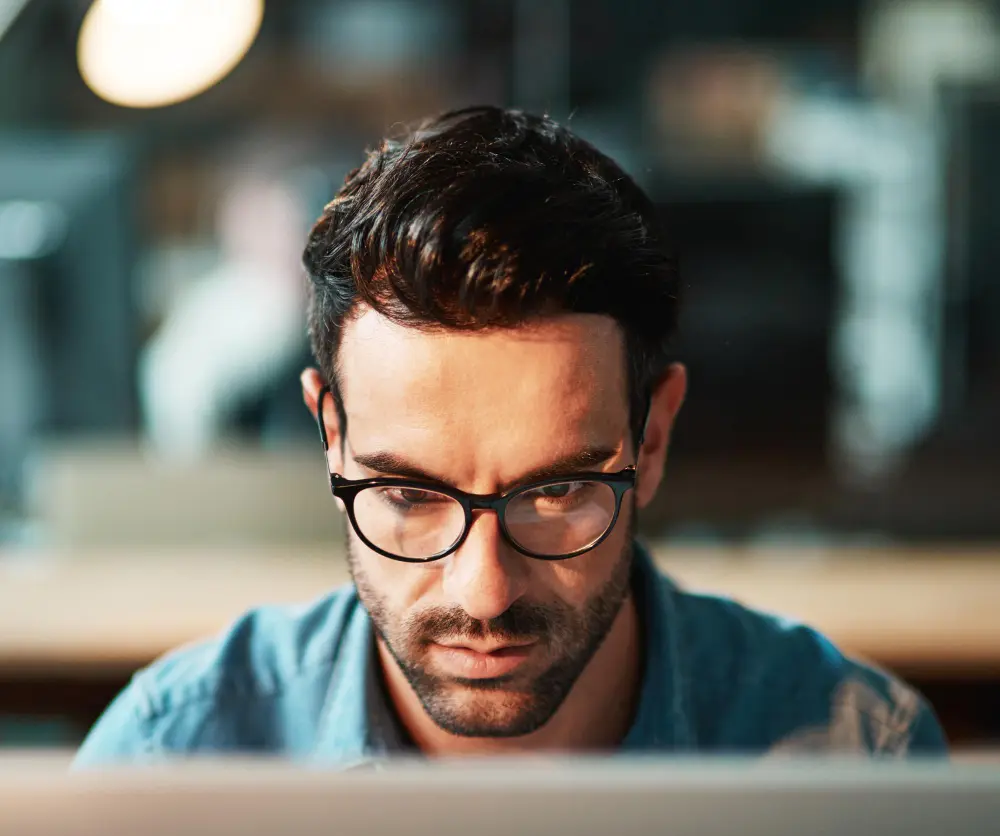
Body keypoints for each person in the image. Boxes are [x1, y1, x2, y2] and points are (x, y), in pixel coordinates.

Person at [76, 106, 946, 765]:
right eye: (409, 495)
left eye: (557, 490)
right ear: (330, 434)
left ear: (652, 438)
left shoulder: (854, 753)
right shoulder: (176, 752)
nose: (485, 593)